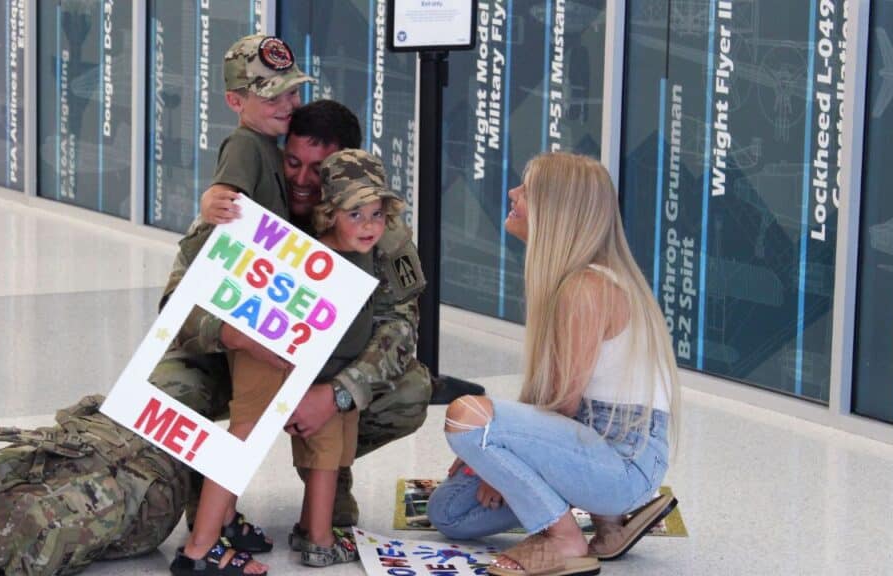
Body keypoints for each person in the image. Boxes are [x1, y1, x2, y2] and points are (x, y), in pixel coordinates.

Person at [425, 152, 681, 576]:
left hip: (622, 467)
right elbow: (558, 406)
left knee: (466, 417)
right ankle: (609, 526)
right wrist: (492, 457)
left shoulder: (587, 287)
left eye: (526, 189)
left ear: (556, 209)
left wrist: (495, 445)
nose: (513, 193)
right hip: (600, 453)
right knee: (449, 512)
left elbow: (562, 403)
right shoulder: (578, 280)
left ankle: (564, 538)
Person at [164, 32, 312, 576]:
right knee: (245, 433)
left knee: (249, 428)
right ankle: (201, 551)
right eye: (271, 97)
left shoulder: (268, 146)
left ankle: (223, 523)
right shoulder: (247, 147)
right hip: (248, 314)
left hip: (255, 309)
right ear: (236, 102)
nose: (286, 106)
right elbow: (225, 204)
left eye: (291, 93)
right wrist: (210, 203)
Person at [232, 149, 404, 567]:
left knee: (334, 459)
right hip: (307, 378)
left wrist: (341, 390)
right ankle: (319, 540)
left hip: (340, 382)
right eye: (355, 214)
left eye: (377, 215)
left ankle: (312, 527)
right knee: (323, 461)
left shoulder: (374, 253)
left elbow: (399, 323)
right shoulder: (314, 258)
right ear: (330, 214)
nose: (369, 226)